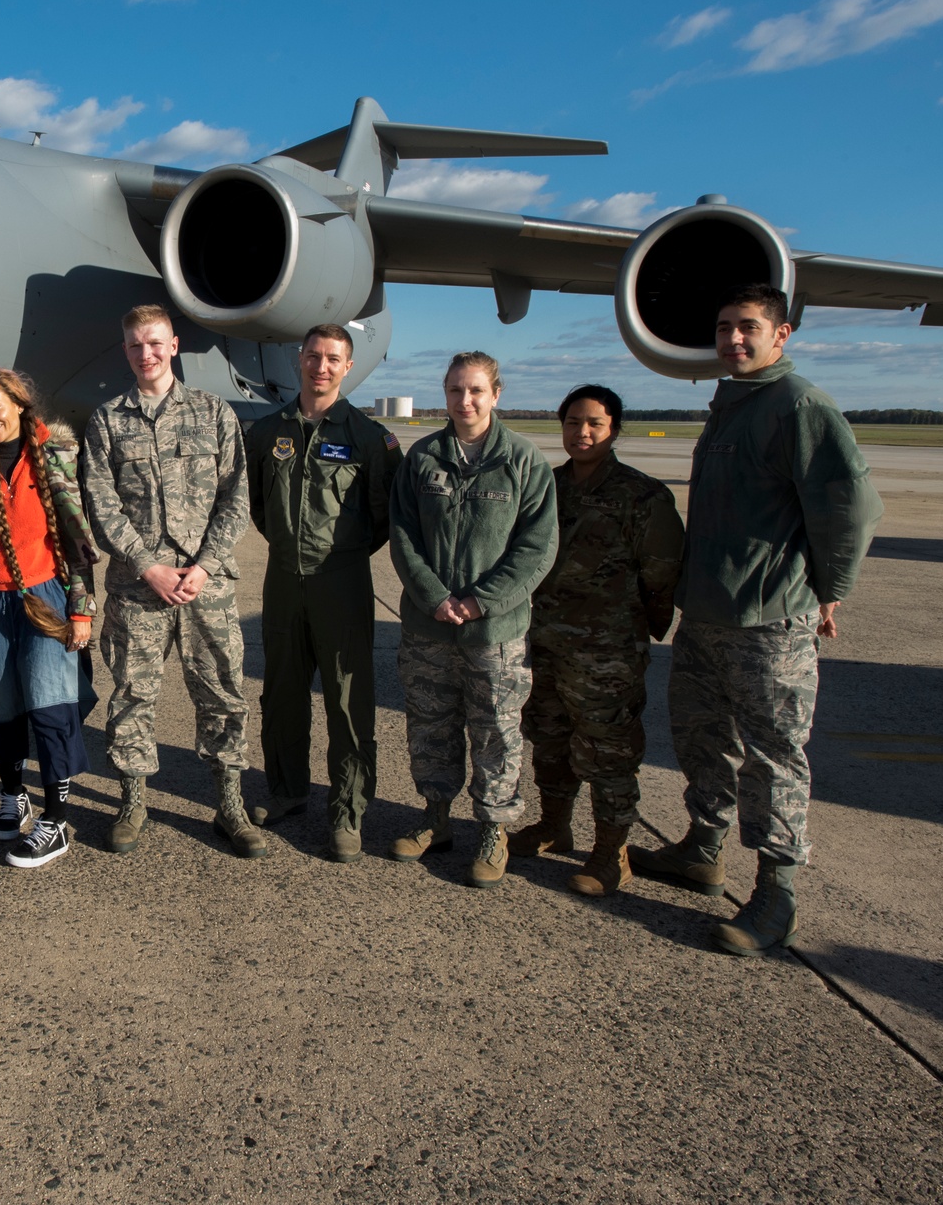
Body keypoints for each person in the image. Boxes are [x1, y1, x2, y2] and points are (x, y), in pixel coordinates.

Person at [633, 284, 882, 956]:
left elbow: (851, 508)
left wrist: (830, 589)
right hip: (707, 613)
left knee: (773, 757)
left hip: (769, 620)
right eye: (724, 328)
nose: (733, 339)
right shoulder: (733, 403)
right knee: (701, 737)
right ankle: (702, 847)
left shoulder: (799, 405)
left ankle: (777, 893)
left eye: (748, 327)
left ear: (782, 333)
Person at [81, 304, 264, 858]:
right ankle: (133, 801)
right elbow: (101, 502)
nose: (147, 354)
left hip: (207, 586)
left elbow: (237, 497)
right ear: (125, 350)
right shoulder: (107, 420)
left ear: (174, 345)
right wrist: (147, 565)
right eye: (136, 345)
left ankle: (229, 804)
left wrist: (204, 565)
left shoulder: (213, 412)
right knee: (132, 695)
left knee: (223, 694)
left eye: (156, 343)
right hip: (139, 588)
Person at [388, 351, 557, 888]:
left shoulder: (523, 461)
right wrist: (434, 597)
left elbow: (537, 547)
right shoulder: (423, 458)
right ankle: (436, 816)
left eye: (476, 390)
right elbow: (404, 536)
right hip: (429, 626)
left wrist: (483, 600)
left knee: (496, 733)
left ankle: (493, 830)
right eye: (456, 390)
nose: (465, 400)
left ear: (496, 394)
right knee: (430, 725)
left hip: (494, 632)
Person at [511, 384, 682, 896]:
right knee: (548, 736)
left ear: (614, 430)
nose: (582, 433)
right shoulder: (545, 485)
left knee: (609, 750)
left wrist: (632, 628)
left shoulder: (642, 495)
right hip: (544, 640)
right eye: (573, 423)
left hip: (607, 651)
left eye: (595, 424)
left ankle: (611, 853)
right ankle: (554, 825)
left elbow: (662, 572)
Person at [243, 324, 399, 862]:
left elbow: (383, 515)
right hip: (283, 578)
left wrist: (341, 555)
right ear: (299, 360)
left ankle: (347, 811)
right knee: (281, 692)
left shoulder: (369, 437)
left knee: (348, 701)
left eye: (333, 358)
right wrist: (289, 544)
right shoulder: (268, 432)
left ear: (347, 367)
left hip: (343, 580)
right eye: (313, 356)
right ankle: (287, 791)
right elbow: (257, 505)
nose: (321, 366)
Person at [0, 367, 99, 870]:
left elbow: (76, 536)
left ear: (19, 403)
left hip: (45, 596)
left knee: (50, 705)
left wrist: (81, 609)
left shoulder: (56, 455)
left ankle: (56, 820)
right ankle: (12, 792)